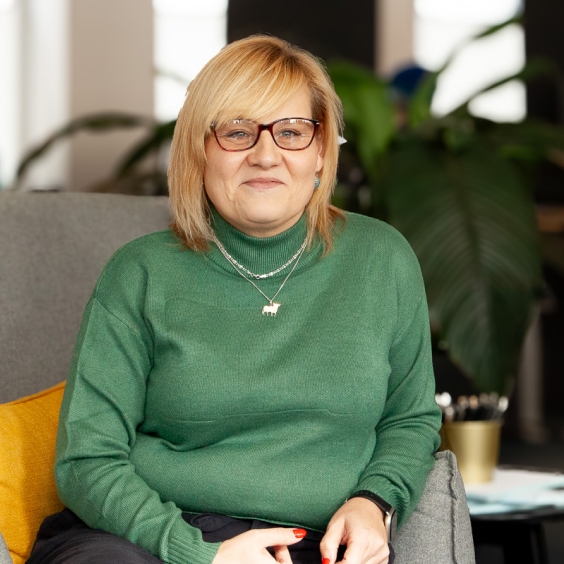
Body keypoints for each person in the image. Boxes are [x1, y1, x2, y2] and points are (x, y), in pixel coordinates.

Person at [27, 35, 441, 564]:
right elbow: (87, 459)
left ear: (320, 150)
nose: (265, 155)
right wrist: (201, 555)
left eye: (292, 132)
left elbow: (410, 419)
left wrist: (374, 502)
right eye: (238, 132)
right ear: (200, 151)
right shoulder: (139, 273)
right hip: (148, 538)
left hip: (313, 544)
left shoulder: (382, 258)